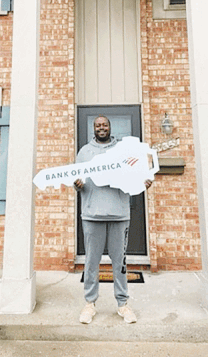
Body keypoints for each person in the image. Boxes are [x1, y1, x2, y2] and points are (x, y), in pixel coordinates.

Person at [74, 115, 152, 325]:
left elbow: (137, 174)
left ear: (110, 127)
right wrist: (77, 183)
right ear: (94, 128)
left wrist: (143, 180)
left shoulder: (123, 151)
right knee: (91, 262)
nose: (101, 128)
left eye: (105, 125)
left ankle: (123, 304)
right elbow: (76, 179)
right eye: (98, 125)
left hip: (119, 213)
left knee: (120, 263)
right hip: (92, 214)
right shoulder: (85, 152)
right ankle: (89, 304)